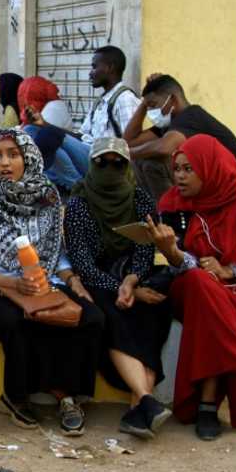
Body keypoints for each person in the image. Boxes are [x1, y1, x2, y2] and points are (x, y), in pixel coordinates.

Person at [0, 129, 105, 437]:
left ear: (28, 158)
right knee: (17, 322)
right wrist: (13, 284)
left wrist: (72, 280)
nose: (4, 163)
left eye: (13, 155)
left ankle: (69, 397)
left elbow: (56, 251)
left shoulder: (47, 195)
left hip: (44, 280)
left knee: (91, 317)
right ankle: (15, 397)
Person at [149, 135, 236, 440]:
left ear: (211, 168)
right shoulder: (171, 205)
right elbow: (178, 264)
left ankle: (206, 405)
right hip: (191, 286)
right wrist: (174, 253)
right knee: (201, 284)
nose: (180, 176)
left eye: (189, 169)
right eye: (177, 169)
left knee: (210, 309)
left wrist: (230, 270)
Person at [64, 137, 173, 439]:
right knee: (112, 316)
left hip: (133, 277)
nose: (109, 169)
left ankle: (139, 407)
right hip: (97, 281)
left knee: (154, 309)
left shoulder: (140, 199)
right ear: (91, 165)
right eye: (101, 163)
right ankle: (147, 400)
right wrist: (123, 289)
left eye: (117, 163)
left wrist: (132, 281)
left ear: (127, 167)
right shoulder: (79, 204)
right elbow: (83, 264)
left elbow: (144, 249)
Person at [125, 73, 236, 200]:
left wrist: (125, 153)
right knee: (139, 160)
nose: (150, 112)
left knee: (153, 163)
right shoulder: (170, 122)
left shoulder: (191, 117)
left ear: (172, 99)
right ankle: (162, 208)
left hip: (228, 186)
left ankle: (170, 210)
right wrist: (145, 103)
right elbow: (130, 141)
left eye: (153, 105)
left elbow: (164, 148)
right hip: (210, 182)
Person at [79, 46, 140, 143]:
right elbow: (81, 134)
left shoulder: (125, 99)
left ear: (110, 67)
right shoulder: (100, 102)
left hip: (107, 152)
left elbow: (131, 142)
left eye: (94, 67)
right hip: (88, 149)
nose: (90, 73)